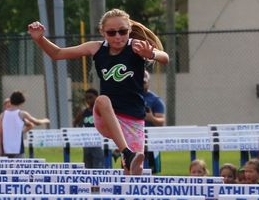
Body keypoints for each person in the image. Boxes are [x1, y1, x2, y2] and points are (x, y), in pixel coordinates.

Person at [29, 9, 169, 175]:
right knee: (102, 100)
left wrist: (151, 54)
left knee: (133, 172)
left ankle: (127, 179)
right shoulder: (96, 48)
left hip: (133, 118)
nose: (118, 37)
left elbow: (165, 58)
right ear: (103, 32)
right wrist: (40, 39)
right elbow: (58, 53)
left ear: (129, 31)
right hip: (107, 116)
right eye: (111, 33)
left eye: (122, 32)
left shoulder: (136, 47)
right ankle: (126, 153)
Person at [0, 91, 47, 158]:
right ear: (21, 103)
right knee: (19, 166)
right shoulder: (22, 114)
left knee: (6, 167)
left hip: (6, 148)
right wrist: (45, 120)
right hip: (17, 149)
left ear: (11, 101)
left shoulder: (2, 115)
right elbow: (37, 122)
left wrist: (0, 150)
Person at [74, 88, 105, 169]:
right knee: (87, 164)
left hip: (98, 142)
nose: (88, 100)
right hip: (87, 141)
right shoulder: (84, 112)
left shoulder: (101, 111)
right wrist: (80, 131)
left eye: (90, 97)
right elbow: (75, 122)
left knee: (98, 165)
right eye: (86, 98)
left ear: (97, 97)